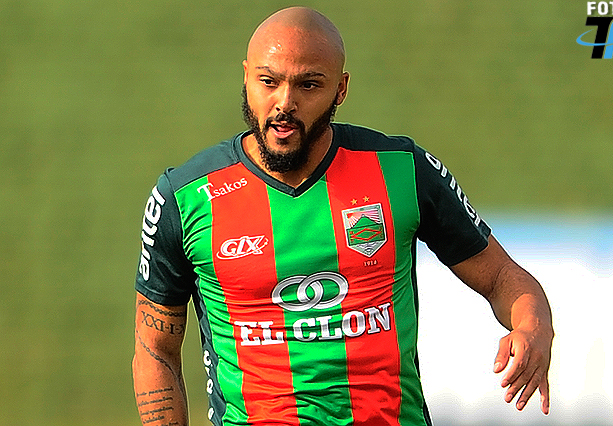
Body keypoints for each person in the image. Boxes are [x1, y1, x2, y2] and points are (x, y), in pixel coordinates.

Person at [132, 7, 554, 426]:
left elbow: (502, 277)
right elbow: (155, 352)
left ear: (340, 89)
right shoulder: (184, 197)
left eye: (308, 85)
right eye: (268, 81)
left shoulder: (402, 170)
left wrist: (533, 328)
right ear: (246, 77)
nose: (285, 103)